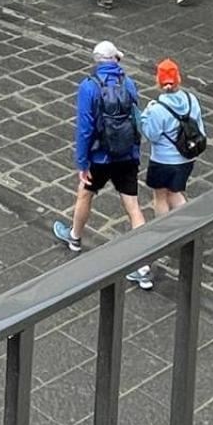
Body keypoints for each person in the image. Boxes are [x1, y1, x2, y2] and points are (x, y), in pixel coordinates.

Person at [53, 40, 153, 289]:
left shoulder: (89, 87)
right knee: (133, 206)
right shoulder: (129, 83)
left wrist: (82, 161)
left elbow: (85, 127)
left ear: (96, 62)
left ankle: (74, 237)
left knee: (85, 194)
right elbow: (135, 118)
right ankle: (144, 267)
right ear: (115, 60)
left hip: (100, 156)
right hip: (126, 154)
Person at [141, 59, 206, 216]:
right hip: (186, 158)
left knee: (161, 197)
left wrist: (144, 116)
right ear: (178, 79)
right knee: (175, 193)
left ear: (158, 82)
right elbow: (200, 127)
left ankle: (166, 232)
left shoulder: (157, 109)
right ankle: (185, 227)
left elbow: (152, 135)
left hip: (163, 161)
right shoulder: (192, 100)